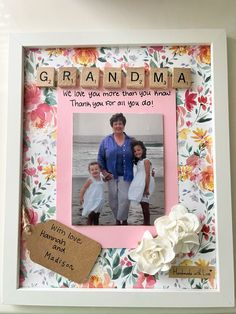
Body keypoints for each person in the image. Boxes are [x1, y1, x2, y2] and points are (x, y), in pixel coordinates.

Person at [98, 113, 133, 225]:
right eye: (115, 123)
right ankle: (118, 219)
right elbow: (100, 158)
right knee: (113, 201)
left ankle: (124, 219)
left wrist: (147, 168)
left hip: (126, 175)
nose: (118, 126)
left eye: (120, 123)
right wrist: (104, 172)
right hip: (111, 176)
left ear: (124, 125)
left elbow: (139, 155)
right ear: (112, 125)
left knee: (125, 199)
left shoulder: (131, 141)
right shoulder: (105, 141)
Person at [128, 140, 155, 225]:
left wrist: (146, 188)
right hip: (140, 183)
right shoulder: (138, 161)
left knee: (145, 204)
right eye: (134, 151)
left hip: (145, 183)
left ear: (143, 150)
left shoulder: (146, 160)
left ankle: (147, 223)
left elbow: (147, 174)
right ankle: (145, 222)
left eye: (138, 150)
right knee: (142, 203)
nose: (136, 152)